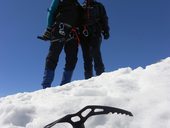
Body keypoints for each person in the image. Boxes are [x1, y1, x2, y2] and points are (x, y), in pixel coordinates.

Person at [39, 0, 83, 89]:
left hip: (73, 32)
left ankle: (65, 85)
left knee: (72, 58)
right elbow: (51, 11)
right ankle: (46, 86)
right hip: (59, 27)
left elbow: (81, 20)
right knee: (53, 56)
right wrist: (48, 28)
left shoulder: (77, 5)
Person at [80, 0, 110, 79]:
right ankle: (88, 78)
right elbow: (77, 20)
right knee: (86, 57)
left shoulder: (99, 6)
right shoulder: (80, 7)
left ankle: (100, 75)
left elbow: (104, 18)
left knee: (96, 53)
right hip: (83, 34)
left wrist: (106, 30)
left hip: (95, 32)